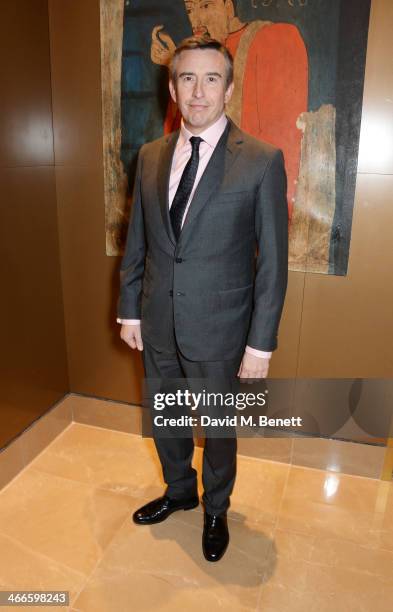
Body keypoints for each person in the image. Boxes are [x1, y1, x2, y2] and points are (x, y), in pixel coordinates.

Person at [117, 36, 288, 562]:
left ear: (229, 89)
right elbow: (138, 241)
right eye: (187, 78)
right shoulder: (148, 157)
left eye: (211, 79)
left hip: (222, 327)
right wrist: (129, 308)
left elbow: (273, 264)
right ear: (172, 88)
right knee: (164, 415)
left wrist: (260, 345)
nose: (198, 91)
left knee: (217, 428)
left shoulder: (260, 160)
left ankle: (216, 506)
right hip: (157, 317)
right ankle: (177, 492)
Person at [150, 0, 308, 220]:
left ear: (228, 6)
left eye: (205, 6)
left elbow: (279, 149)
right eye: (190, 10)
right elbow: (176, 143)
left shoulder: (274, 38)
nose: (197, 21)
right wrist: (175, 69)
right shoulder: (147, 158)